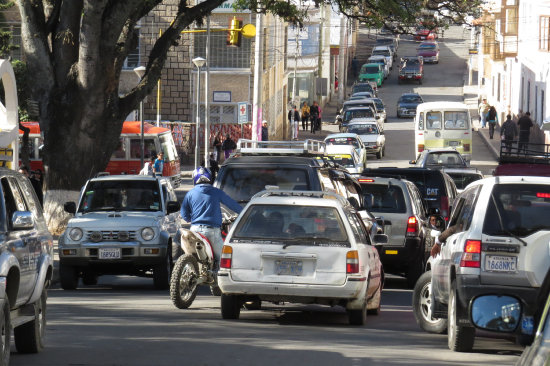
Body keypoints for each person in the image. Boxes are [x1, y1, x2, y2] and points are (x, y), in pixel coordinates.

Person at [181, 167, 243, 266]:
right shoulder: (216, 192)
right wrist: (245, 213)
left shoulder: (190, 194)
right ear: (210, 178)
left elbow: (184, 215)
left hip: (193, 231)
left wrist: (190, 219)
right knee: (223, 259)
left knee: (191, 257)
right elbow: (233, 205)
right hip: (211, 231)